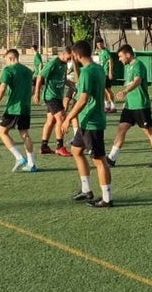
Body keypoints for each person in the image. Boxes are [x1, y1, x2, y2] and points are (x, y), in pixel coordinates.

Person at [62, 40, 113, 208]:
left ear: (76, 55)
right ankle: (86, 190)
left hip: (92, 122)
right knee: (76, 151)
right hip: (86, 121)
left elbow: (83, 99)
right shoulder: (97, 68)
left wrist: (68, 118)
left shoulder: (87, 72)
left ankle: (107, 198)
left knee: (99, 160)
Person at [107, 45, 152, 167]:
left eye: (121, 56)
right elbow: (130, 83)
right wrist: (126, 100)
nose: (119, 59)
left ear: (128, 55)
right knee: (121, 129)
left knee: (148, 131)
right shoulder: (128, 67)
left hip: (140, 105)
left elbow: (137, 81)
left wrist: (125, 92)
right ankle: (111, 158)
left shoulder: (138, 65)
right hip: (129, 106)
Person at [0, 48, 37, 172]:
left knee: (2, 132)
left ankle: (19, 157)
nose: (6, 63)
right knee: (25, 133)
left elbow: (2, 88)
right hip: (26, 107)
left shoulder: (8, 70)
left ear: (10, 58)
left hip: (13, 108)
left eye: (6, 60)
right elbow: (32, 89)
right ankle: (31, 164)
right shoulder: (28, 71)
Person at [34, 46, 72, 157]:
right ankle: (60, 147)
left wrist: (73, 85)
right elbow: (40, 75)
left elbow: (63, 80)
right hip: (51, 96)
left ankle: (44, 146)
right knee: (61, 118)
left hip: (57, 96)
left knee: (50, 121)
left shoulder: (64, 64)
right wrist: (37, 93)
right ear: (64, 54)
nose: (69, 60)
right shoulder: (53, 63)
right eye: (69, 58)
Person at [95, 38, 117, 113]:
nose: (99, 45)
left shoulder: (106, 52)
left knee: (108, 89)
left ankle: (113, 105)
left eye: (100, 43)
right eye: (98, 44)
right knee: (103, 90)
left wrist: (110, 72)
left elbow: (110, 61)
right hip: (102, 73)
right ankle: (107, 105)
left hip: (106, 73)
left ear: (103, 43)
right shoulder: (100, 52)